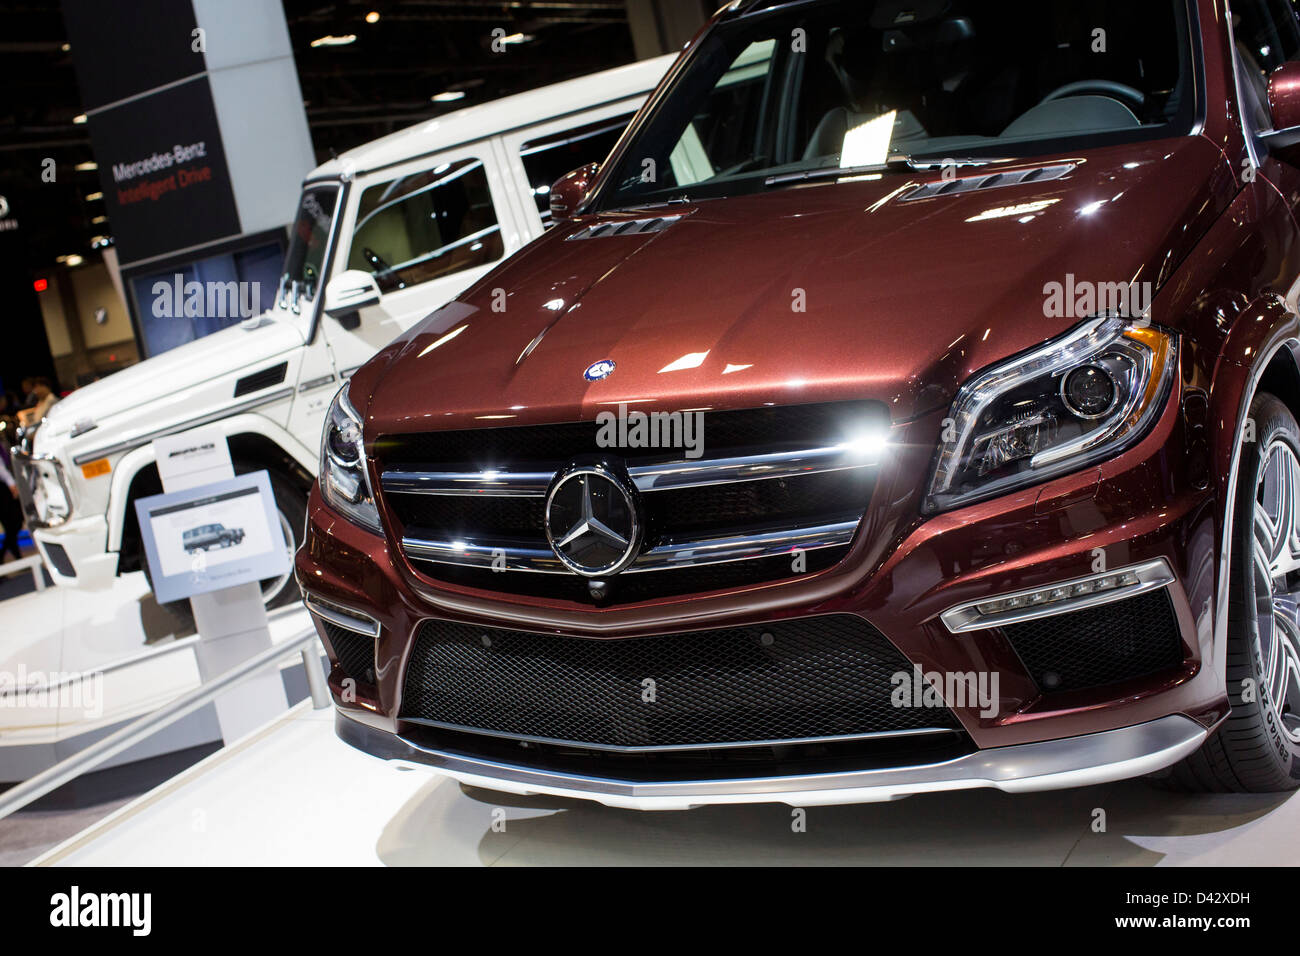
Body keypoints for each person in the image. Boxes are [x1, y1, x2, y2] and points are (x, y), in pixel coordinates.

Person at [0, 440, 22, 563]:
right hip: (3, 489)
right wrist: (11, 483)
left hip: (4, 488)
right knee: (14, 522)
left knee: (12, 524)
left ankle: (17, 556)